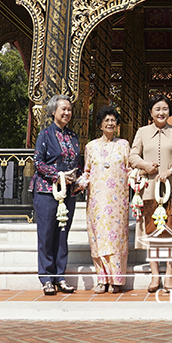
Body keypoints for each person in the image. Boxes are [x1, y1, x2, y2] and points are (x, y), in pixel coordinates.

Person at [129, 93, 172, 293]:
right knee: (152, 232)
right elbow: (132, 155)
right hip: (149, 189)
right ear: (150, 112)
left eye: (164, 109)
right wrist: (145, 165)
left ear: (169, 111)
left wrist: (170, 171)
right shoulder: (142, 132)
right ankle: (155, 276)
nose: (161, 112)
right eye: (157, 109)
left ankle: (169, 276)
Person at [32, 93, 86, 296]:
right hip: (47, 191)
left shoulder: (73, 137)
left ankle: (60, 276)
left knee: (62, 234)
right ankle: (46, 277)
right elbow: (38, 162)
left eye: (69, 109)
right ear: (53, 111)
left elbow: (78, 164)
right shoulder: (45, 135)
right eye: (63, 109)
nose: (67, 112)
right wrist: (59, 175)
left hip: (68, 193)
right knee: (46, 235)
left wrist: (79, 179)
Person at [82, 104, 130, 293]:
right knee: (99, 237)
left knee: (116, 238)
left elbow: (130, 169)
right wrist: (75, 182)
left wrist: (139, 178)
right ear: (100, 125)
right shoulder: (90, 147)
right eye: (106, 120)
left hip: (118, 201)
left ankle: (117, 279)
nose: (110, 123)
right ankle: (102, 279)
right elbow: (87, 171)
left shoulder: (124, 145)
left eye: (113, 121)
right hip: (97, 200)